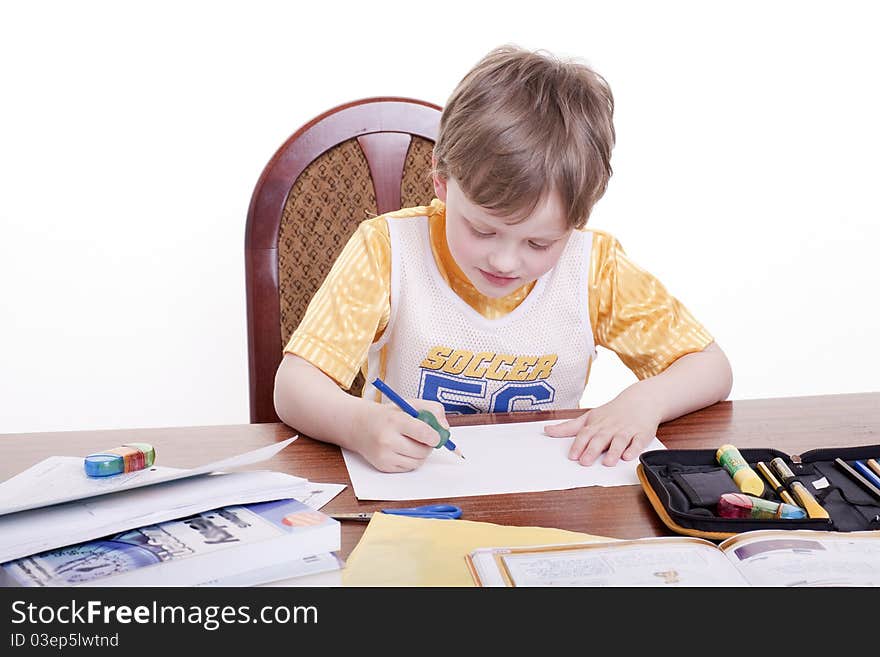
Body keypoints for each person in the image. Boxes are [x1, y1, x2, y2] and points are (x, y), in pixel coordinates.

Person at [274, 45, 733, 473]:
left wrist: (645, 401)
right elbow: (293, 387)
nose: (505, 260)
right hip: (416, 496)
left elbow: (712, 368)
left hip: (543, 496)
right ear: (442, 182)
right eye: (482, 229)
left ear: (576, 222)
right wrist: (358, 425)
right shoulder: (387, 250)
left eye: (539, 244)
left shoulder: (595, 267)